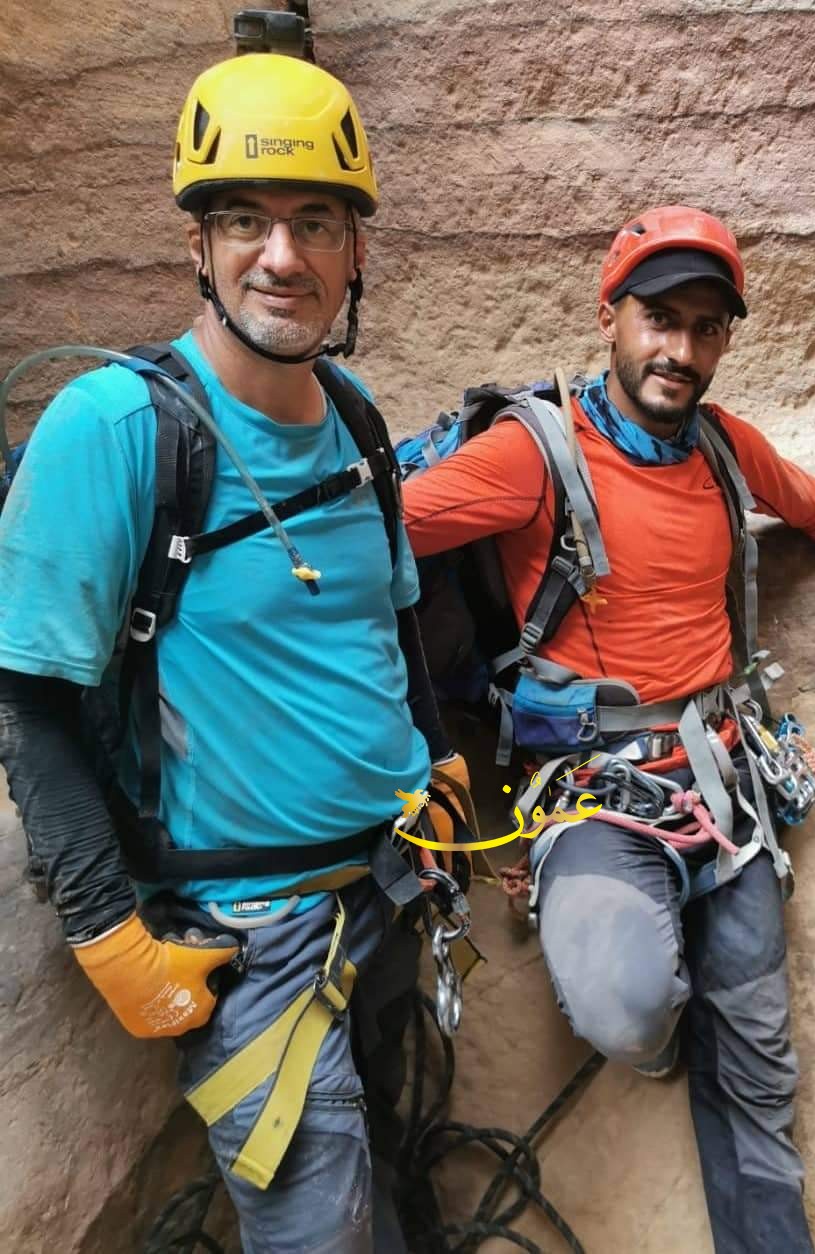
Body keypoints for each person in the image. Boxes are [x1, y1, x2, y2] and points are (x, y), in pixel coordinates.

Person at [401, 204, 815, 1252]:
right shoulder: (535, 453)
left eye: (705, 327)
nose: (680, 349)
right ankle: (671, 1032)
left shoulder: (722, 446)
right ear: (610, 318)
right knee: (625, 1007)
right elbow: (379, 536)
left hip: (725, 783)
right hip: (595, 795)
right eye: (659, 319)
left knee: (758, 1067)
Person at [0, 48, 467, 1254]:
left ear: (356, 253)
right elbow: (29, 703)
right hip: (253, 945)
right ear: (197, 246)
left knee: (398, 1184)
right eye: (246, 219)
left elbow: (392, 618)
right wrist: (105, 928)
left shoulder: (354, 413)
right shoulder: (116, 429)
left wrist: (436, 760)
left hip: (391, 889)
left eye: (317, 222)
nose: (282, 255)